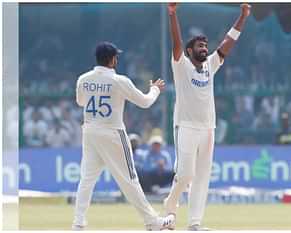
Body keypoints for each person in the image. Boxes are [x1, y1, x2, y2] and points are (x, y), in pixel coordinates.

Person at [164, 3, 251, 230]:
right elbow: (176, 43)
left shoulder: (210, 65)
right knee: (185, 175)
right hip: (185, 126)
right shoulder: (181, 65)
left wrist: (243, 17)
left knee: (202, 178)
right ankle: (170, 202)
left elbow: (228, 43)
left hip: (208, 128)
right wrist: (173, 15)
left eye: (205, 45)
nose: (204, 48)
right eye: (199, 46)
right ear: (190, 51)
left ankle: (194, 223)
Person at [72, 42, 175, 231]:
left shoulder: (83, 79)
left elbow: (80, 102)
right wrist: (155, 90)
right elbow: (144, 102)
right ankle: (152, 222)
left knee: (86, 179)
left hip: (90, 131)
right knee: (130, 179)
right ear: (112, 60)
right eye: (116, 57)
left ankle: (78, 223)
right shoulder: (120, 81)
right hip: (112, 132)